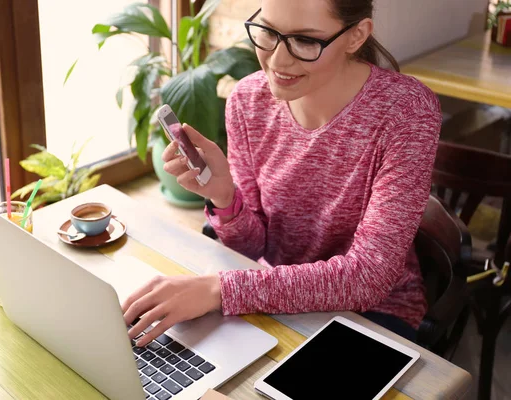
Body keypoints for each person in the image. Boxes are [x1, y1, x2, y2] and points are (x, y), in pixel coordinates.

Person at [123, 0, 441, 347]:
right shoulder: (247, 101)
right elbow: (255, 246)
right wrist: (225, 198)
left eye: (305, 41)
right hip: (271, 291)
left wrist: (221, 289)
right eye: (269, 32)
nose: (277, 61)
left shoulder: (406, 111)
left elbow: (368, 278)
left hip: (373, 314)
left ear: (356, 36)